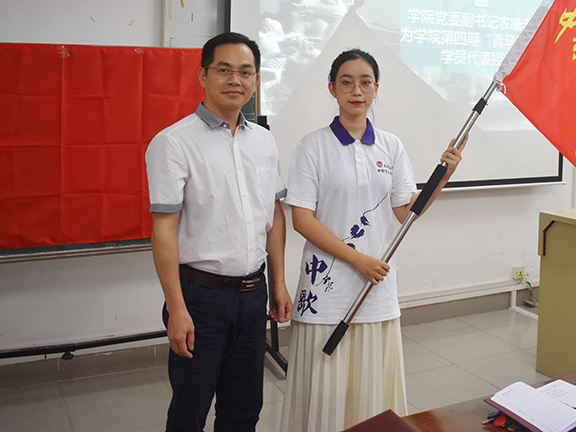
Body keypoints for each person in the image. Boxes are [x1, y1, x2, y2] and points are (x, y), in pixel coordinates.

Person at [279, 48, 464, 431]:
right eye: (346, 82)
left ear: (376, 89)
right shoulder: (312, 146)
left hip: (374, 287)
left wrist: (443, 176)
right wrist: (356, 259)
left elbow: (405, 211)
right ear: (332, 88)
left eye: (365, 82)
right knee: (327, 391)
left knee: (372, 389)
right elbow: (302, 219)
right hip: (327, 292)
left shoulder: (391, 146)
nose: (356, 90)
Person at [145, 32, 292, 432]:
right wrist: (176, 309)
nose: (235, 80)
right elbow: (164, 230)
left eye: (245, 72)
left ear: (256, 80)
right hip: (200, 299)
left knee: (243, 411)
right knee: (189, 413)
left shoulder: (264, 141)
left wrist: (278, 283)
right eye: (224, 70)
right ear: (203, 75)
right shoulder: (173, 143)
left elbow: (274, 216)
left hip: (253, 295)